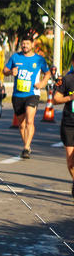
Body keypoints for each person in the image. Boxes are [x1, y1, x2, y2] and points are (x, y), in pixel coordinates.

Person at [4, 29, 51, 158]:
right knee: (21, 124)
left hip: (32, 94)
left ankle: (25, 148)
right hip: (17, 95)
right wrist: (10, 72)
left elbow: (47, 73)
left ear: (32, 44)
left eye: (27, 43)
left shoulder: (39, 59)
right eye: (23, 43)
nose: (25, 46)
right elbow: (4, 70)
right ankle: (27, 145)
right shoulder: (15, 57)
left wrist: (42, 84)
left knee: (30, 120)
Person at [52, 59, 74, 198]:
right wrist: (70, 97)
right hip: (70, 124)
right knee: (71, 162)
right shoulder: (66, 79)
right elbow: (55, 99)